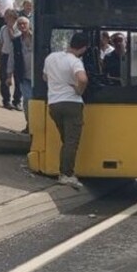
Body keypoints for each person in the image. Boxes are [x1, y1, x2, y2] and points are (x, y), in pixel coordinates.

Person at [44, 32, 90, 189]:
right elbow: (83, 79)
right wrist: (79, 90)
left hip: (54, 104)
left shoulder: (51, 57)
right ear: (83, 48)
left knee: (66, 139)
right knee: (71, 141)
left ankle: (65, 170)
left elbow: (45, 77)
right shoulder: (75, 61)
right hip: (72, 103)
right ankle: (66, 174)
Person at [8, 15, 34, 132]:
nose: (22, 26)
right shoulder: (16, 41)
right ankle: (30, 125)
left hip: (38, 77)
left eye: (24, 23)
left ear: (29, 25)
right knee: (27, 101)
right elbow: (12, 58)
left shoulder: (38, 38)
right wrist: (9, 76)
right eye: (20, 24)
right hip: (23, 76)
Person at [0, 8, 22, 109]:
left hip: (17, 56)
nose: (6, 20)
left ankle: (17, 100)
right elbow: (0, 43)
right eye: (5, 18)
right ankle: (6, 100)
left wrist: (10, 28)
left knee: (18, 79)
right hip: (5, 55)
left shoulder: (19, 28)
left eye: (8, 18)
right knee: (3, 78)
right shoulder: (3, 29)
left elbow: (14, 39)